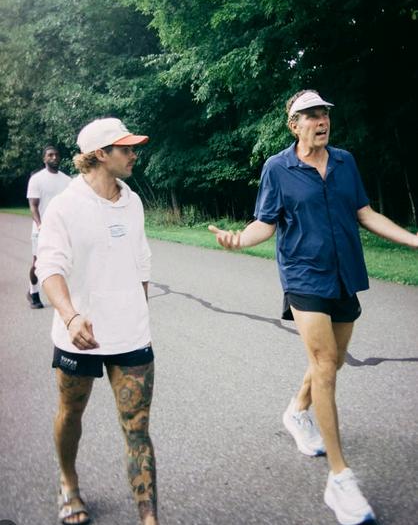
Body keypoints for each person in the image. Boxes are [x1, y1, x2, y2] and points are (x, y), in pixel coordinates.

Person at [209, 90, 418, 525]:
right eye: (310, 115)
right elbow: (265, 223)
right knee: (324, 364)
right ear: (294, 125)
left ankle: (296, 410)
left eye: (324, 113)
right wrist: (239, 240)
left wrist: (414, 240)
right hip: (304, 276)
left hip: (345, 273)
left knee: (335, 359)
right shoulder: (277, 168)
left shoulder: (344, 162)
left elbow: (365, 214)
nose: (321, 120)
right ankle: (339, 478)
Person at [36, 118, 158, 525]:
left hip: (130, 336)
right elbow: (49, 268)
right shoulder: (65, 206)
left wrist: (139, 313)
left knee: (137, 427)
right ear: (101, 154)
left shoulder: (133, 201)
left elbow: (142, 262)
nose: (133, 154)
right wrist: (70, 317)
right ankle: (68, 481)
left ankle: (149, 518)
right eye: (126, 148)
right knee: (71, 413)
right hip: (79, 336)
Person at [26, 145, 71, 308]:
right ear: (44, 159)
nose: (54, 157)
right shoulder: (37, 179)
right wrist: (40, 225)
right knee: (38, 263)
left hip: (60, 229)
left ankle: (63, 296)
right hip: (41, 229)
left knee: (64, 262)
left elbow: (70, 206)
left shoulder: (67, 180)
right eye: (50, 155)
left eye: (56, 155)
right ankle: (33, 292)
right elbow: (33, 206)